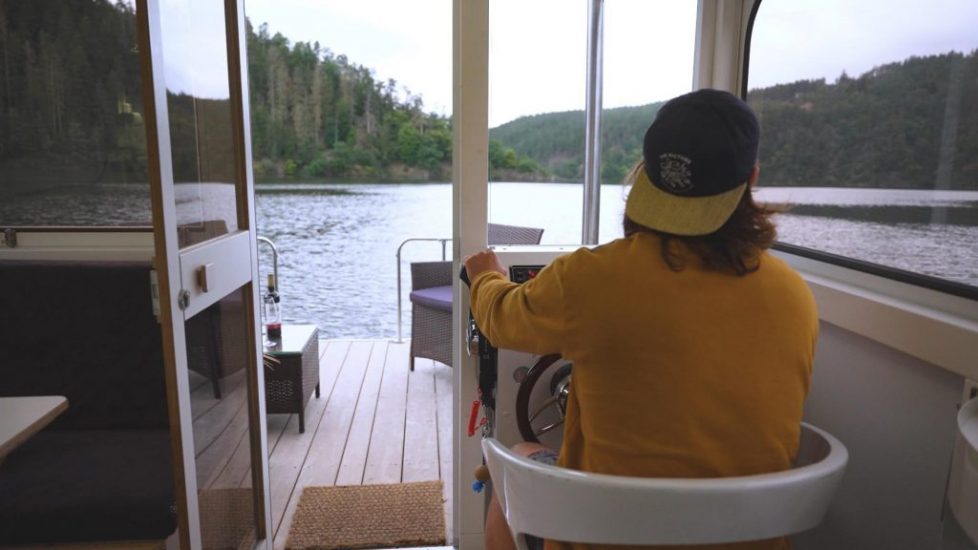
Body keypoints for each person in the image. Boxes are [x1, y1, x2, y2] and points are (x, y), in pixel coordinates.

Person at [464, 89, 818, 550]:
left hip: (606, 537)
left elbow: (501, 320)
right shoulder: (795, 296)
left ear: (647, 177)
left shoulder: (593, 278)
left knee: (513, 463)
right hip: (741, 538)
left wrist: (484, 278)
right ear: (750, 179)